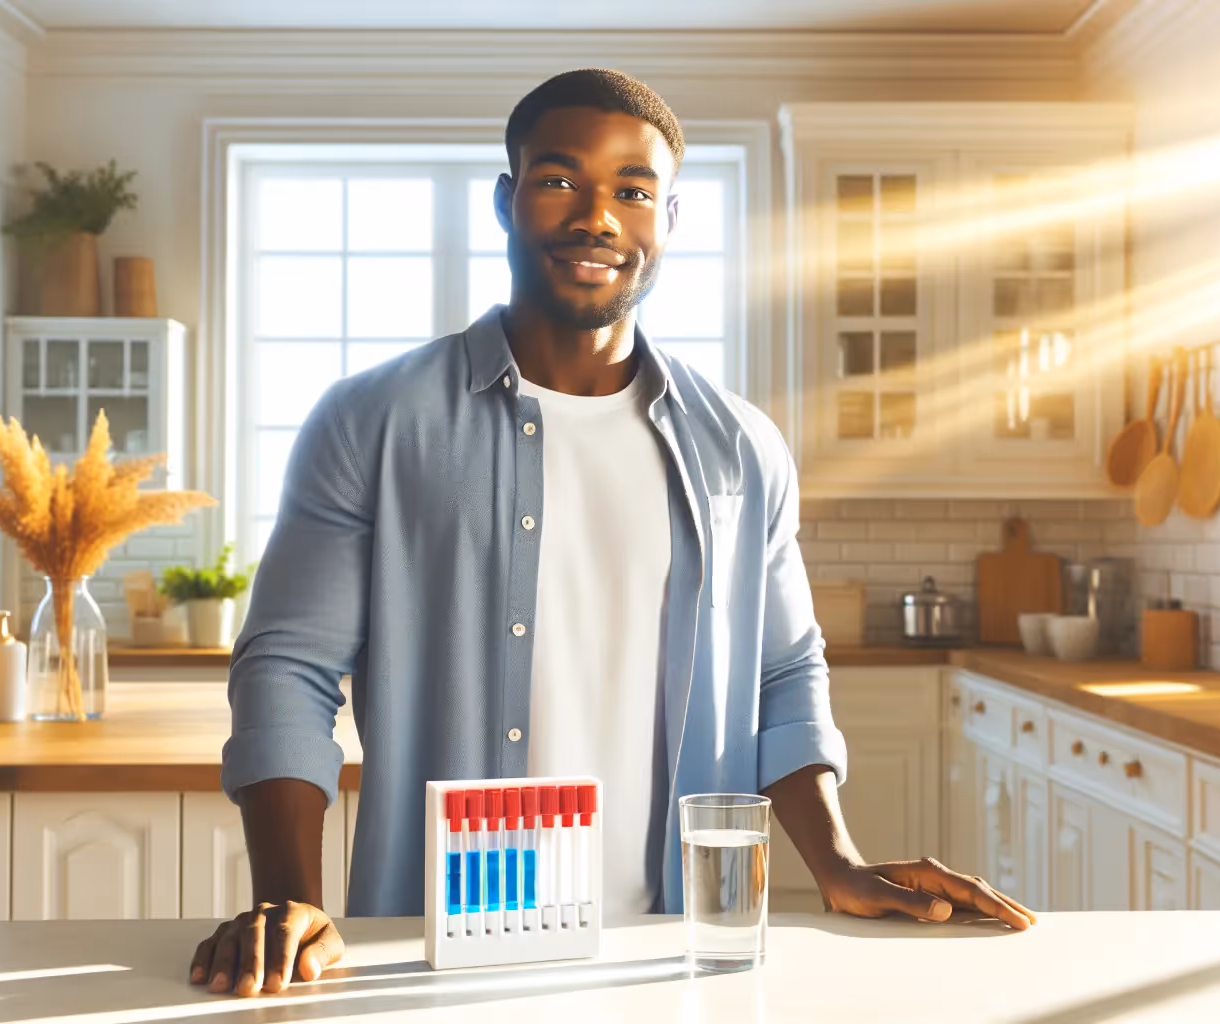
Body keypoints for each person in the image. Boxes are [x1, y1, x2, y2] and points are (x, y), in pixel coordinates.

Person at [189, 68, 1034, 998]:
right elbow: (287, 670)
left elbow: (782, 671)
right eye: (560, 181)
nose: (599, 217)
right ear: (508, 202)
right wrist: (290, 901)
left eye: (634, 192)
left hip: (674, 951)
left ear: (670, 218)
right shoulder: (371, 422)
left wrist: (837, 861)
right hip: (432, 951)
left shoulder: (742, 448)